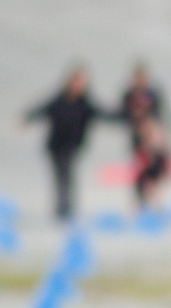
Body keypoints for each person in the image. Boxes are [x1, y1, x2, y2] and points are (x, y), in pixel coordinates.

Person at [24, 65, 112, 223]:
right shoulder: (59, 100)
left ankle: (66, 207)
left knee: (67, 174)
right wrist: (27, 118)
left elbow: (104, 114)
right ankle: (63, 208)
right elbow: (43, 109)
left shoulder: (85, 103)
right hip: (56, 145)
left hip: (72, 146)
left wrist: (127, 117)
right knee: (61, 175)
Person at [122, 64, 171, 210]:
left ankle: (153, 202)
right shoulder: (129, 95)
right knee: (140, 174)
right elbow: (123, 114)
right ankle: (142, 202)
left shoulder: (152, 95)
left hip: (153, 142)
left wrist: (156, 136)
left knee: (154, 173)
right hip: (139, 143)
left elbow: (160, 114)